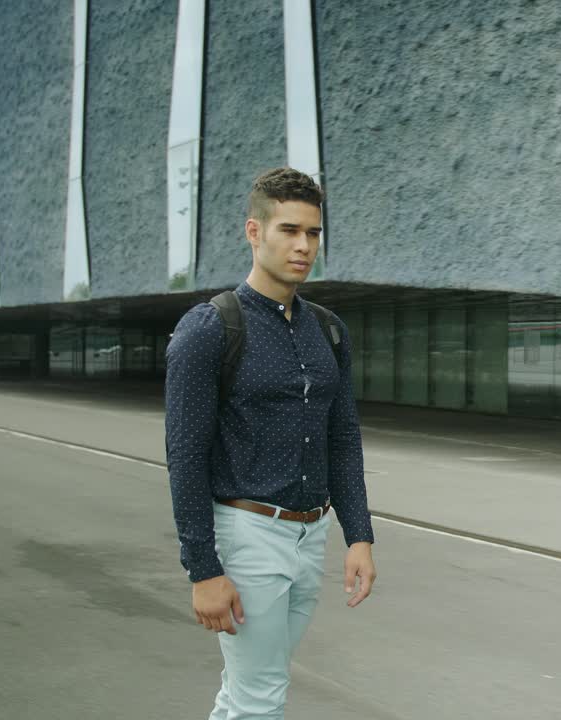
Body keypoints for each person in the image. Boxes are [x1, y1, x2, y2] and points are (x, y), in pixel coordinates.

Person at [165, 167, 376, 719]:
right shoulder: (210, 327)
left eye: (313, 233)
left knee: (248, 691)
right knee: (261, 697)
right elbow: (184, 457)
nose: (303, 246)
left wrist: (359, 536)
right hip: (248, 534)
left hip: (312, 535)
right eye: (288, 230)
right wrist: (204, 570)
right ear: (254, 232)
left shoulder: (328, 329)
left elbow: (343, 436)